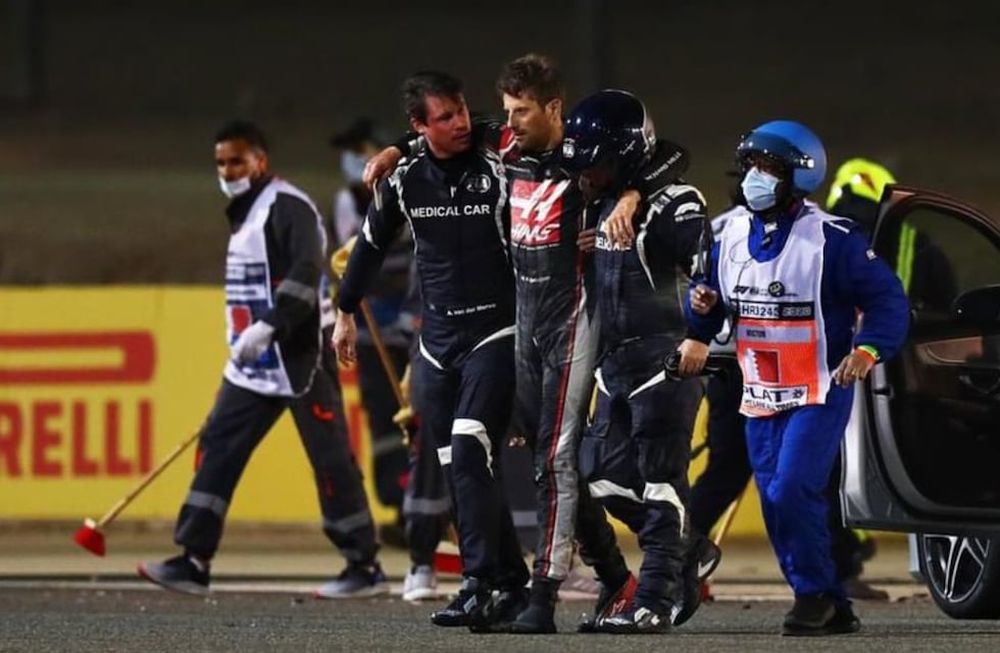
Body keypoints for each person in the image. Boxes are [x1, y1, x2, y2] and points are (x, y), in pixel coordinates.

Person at [138, 120, 385, 599]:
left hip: (299, 354)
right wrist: (248, 336)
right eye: (221, 163)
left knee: (330, 456)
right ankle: (193, 558)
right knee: (217, 447)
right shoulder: (246, 213)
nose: (228, 170)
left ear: (260, 161)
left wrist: (270, 324)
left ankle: (363, 565)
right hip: (251, 363)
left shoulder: (286, 206)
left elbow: (308, 269)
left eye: (236, 160)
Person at [684, 120, 910, 635]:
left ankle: (811, 594)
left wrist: (869, 348)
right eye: (750, 167)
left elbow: (888, 302)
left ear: (798, 178)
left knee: (791, 490)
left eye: (768, 169)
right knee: (774, 501)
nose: (753, 179)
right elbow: (708, 303)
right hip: (758, 393)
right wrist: (700, 309)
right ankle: (829, 601)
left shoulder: (834, 241)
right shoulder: (730, 233)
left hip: (818, 391)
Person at [333, 71, 530, 632]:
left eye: (461, 111)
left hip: (497, 331)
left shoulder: (495, 156)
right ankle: (507, 582)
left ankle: (478, 582)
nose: (461, 123)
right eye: (444, 118)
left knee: (470, 452)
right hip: (437, 342)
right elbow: (367, 250)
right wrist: (345, 314)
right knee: (457, 467)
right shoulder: (403, 182)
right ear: (422, 123)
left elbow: (511, 127)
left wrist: (403, 142)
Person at [563, 89, 711, 634]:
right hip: (615, 367)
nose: (585, 176)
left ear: (627, 154)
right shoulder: (606, 199)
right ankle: (688, 550)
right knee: (598, 477)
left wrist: (700, 336)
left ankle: (652, 600)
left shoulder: (677, 203)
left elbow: (709, 273)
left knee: (661, 481)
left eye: (596, 165)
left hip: (665, 364)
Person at [328, 119, 414, 516]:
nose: (353, 161)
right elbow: (344, 260)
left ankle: (432, 508)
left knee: (420, 413)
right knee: (383, 417)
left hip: (414, 331)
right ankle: (399, 503)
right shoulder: (345, 202)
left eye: (361, 150)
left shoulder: (410, 192)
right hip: (370, 331)